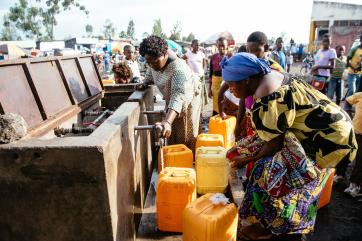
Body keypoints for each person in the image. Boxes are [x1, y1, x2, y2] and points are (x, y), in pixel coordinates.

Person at [222, 53, 357, 241]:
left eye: (231, 85)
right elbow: (271, 134)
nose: (230, 90)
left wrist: (245, 159)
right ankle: (272, 226)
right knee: (269, 173)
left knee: (297, 183)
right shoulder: (266, 74)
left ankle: (291, 230)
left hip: (329, 139)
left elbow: (274, 144)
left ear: (246, 81)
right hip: (319, 131)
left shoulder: (267, 94)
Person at [138, 36, 202, 150]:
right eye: (148, 62)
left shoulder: (178, 68)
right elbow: (150, 73)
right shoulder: (154, 63)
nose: (152, 65)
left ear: (164, 54)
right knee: (172, 134)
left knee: (186, 136)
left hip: (188, 103)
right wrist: (144, 82)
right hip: (172, 101)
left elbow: (178, 95)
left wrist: (167, 121)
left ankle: (187, 162)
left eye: (154, 61)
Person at [345, 92, 362, 199]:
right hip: (355, 132)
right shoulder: (360, 95)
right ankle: (342, 177)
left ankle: (355, 187)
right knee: (347, 154)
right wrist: (348, 115)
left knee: (360, 161)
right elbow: (347, 101)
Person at [183, 39, 208, 106]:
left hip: (201, 77)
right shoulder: (187, 54)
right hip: (192, 79)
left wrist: (202, 72)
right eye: (196, 45)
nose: (198, 46)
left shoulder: (201, 54)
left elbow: (203, 64)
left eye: (199, 45)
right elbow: (181, 61)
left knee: (201, 94)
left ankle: (200, 111)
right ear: (192, 45)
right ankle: (193, 109)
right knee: (193, 95)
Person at [209, 37, 229, 115]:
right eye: (219, 45)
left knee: (226, 103)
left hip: (227, 84)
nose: (221, 48)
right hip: (215, 85)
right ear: (217, 46)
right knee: (216, 103)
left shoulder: (230, 57)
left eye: (223, 45)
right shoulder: (213, 57)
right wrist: (209, 88)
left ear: (226, 46)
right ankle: (216, 120)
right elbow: (211, 73)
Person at [345, 34, 362, 112]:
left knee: (358, 92)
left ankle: (351, 106)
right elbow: (347, 61)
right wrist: (354, 68)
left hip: (360, 75)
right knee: (353, 90)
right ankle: (347, 104)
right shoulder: (355, 49)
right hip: (352, 73)